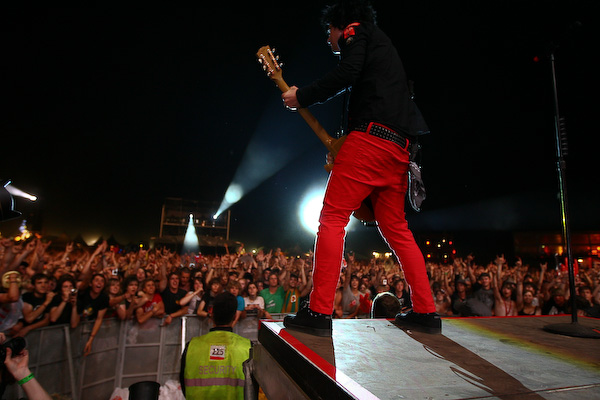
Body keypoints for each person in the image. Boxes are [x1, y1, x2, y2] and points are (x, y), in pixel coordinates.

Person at [281, 0, 439, 336]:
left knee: (332, 218)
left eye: (329, 31)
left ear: (342, 25)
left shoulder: (357, 33)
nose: (329, 39)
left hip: (370, 140)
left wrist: (303, 95)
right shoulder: (385, 47)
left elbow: (346, 73)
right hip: (400, 149)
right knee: (396, 228)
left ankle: (319, 311)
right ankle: (426, 312)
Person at [180, 292, 251, 399]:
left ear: (211, 313)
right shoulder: (248, 347)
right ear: (235, 316)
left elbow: (184, 384)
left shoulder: (191, 346)